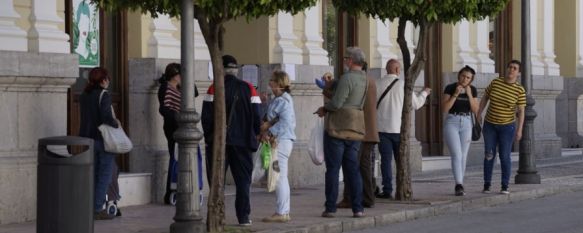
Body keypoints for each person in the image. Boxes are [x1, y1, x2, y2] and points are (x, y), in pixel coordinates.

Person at [202, 55, 261, 226]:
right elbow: (256, 116)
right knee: (243, 181)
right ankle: (243, 217)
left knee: (216, 180)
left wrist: (210, 138)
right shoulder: (249, 88)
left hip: (219, 143)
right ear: (236, 70)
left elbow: (206, 118)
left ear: (220, 69)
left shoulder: (214, 89)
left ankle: (217, 217)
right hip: (243, 143)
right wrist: (254, 133)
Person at [315, 47, 368, 218]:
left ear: (351, 60)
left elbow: (337, 103)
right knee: (352, 169)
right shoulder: (365, 79)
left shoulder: (347, 78)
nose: (345, 60)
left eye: (346, 58)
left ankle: (330, 208)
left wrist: (324, 108)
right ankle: (358, 208)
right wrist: (331, 85)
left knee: (333, 169)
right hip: (356, 127)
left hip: (338, 128)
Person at [375, 59, 431, 199]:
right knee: (401, 160)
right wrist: (424, 93)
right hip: (399, 130)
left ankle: (387, 189)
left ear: (387, 69)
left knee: (385, 160)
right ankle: (402, 187)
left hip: (382, 129)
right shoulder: (403, 85)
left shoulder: (377, 83)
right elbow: (416, 104)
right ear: (398, 70)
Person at [478, 60, 526, 195]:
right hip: (490, 125)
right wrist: (479, 113)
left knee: (504, 156)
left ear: (518, 73)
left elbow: (521, 111)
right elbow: (485, 97)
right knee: (489, 154)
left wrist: (520, 129)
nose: (511, 70)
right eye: (510, 67)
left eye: (515, 68)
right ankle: (487, 184)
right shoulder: (496, 82)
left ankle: (504, 186)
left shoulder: (519, 90)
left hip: (507, 127)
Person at [79, 67, 119, 220]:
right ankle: (96, 209)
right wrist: (116, 123)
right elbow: (107, 117)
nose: (108, 81)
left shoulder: (84, 95)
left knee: (93, 174)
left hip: (87, 139)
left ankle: (89, 206)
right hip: (103, 140)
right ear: (103, 80)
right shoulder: (104, 95)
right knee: (104, 176)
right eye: (107, 78)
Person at [336, 62, 379, 209]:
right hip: (369, 129)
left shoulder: (357, 82)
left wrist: (326, 89)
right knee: (364, 166)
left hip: (357, 129)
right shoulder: (370, 81)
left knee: (351, 165)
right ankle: (368, 197)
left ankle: (349, 198)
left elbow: (342, 101)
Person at [259, 70, 296, 223]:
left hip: (280, 142)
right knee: (282, 176)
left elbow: (285, 122)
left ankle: (282, 212)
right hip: (281, 141)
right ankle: (284, 211)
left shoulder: (283, 101)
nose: (270, 83)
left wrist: (271, 132)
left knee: (279, 176)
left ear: (280, 83)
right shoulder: (279, 99)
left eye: (272, 81)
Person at [442, 65, 478, 196]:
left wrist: (468, 94)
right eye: (463, 76)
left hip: (467, 122)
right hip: (452, 121)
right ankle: (458, 184)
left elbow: (475, 110)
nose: (465, 79)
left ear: (471, 80)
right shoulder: (450, 88)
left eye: (468, 78)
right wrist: (456, 94)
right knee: (457, 154)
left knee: (463, 155)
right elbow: (445, 108)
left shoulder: (472, 90)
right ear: (459, 75)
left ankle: (460, 183)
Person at [157, 63, 182, 205]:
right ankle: (170, 192)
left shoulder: (177, 87)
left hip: (179, 126)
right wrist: (176, 117)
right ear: (174, 75)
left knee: (178, 158)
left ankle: (175, 189)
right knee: (175, 157)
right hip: (172, 127)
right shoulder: (166, 88)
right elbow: (164, 109)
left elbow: (195, 92)